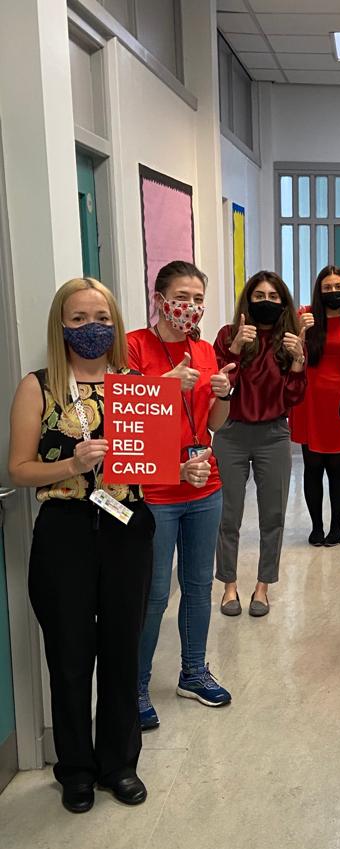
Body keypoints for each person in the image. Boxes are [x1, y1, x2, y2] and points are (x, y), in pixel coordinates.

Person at [8, 278, 154, 812]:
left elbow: (151, 466)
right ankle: (75, 768)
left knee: (122, 649)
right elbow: (19, 468)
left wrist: (181, 467)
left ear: (114, 322)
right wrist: (71, 464)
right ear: (60, 325)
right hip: (65, 530)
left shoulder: (138, 384)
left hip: (126, 528)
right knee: (69, 654)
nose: (91, 327)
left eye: (100, 316)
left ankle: (119, 763)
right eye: (78, 319)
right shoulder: (39, 386)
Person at [128, 261, 235, 731]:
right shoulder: (134, 346)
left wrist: (225, 393)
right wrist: (167, 384)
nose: (189, 307)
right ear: (158, 298)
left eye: (197, 299)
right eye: (181, 296)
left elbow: (214, 425)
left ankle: (193, 671)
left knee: (197, 587)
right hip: (155, 490)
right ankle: (135, 685)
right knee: (152, 593)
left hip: (203, 482)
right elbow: (127, 421)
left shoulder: (205, 350)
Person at [213, 271, 307, 617]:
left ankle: (263, 586)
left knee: (273, 515)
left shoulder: (290, 340)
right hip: (231, 433)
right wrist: (236, 347)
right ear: (247, 299)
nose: (265, 302)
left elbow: (294, 396)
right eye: (258, 296)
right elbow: (221, 386)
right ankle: (229, 586)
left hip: (273, 434)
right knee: (228, 514)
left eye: (273, 296)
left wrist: (298, 360)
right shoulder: (228, 335)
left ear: (283, 302)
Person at [290, 266, 340, 546]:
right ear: (318, 290)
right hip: (309, 402)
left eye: (338, 287)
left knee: (337, 466)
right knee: (312, 466)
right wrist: (300, 331)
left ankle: (336, 526)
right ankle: (316, 526)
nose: (333, 292)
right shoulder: (305, 317)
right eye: (327, 287)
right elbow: (293, 354)